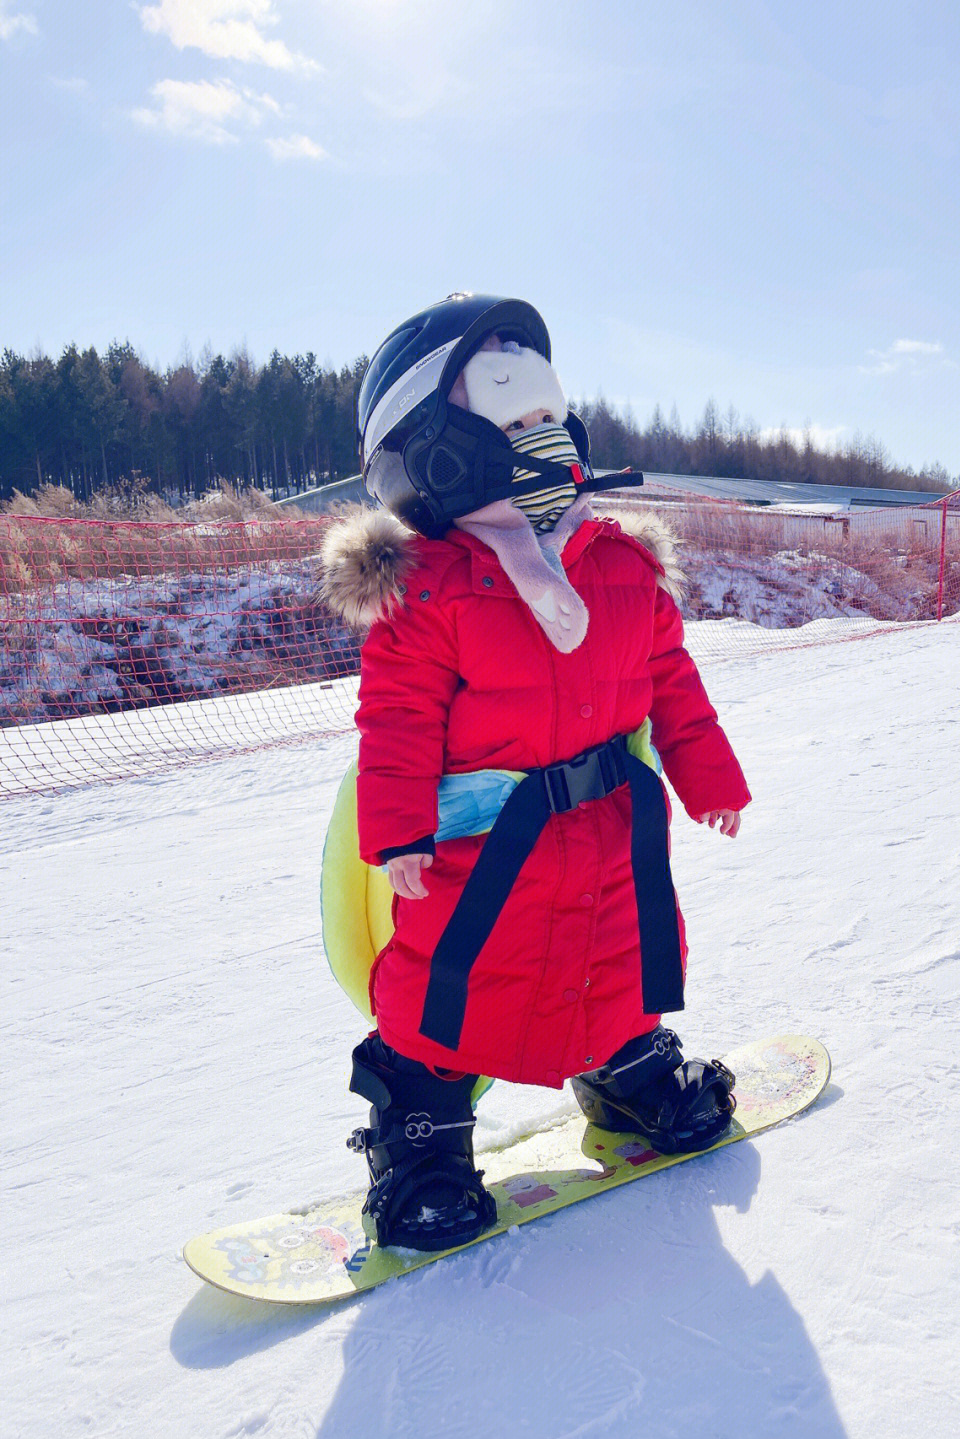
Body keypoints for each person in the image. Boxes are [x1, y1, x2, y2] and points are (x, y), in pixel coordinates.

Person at [320, 293, 751, 1251]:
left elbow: (668, 677)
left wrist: (708, 775)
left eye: (549, 418)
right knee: (454, 979)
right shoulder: (429, 586)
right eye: (514, 423)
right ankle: (421, 1133)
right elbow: (393, 721)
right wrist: (396, 833)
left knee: (624, 951)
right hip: (486, 842)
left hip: (608, 823)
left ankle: (625, 1066)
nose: (545, 440)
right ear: (434, 447)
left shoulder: (618, 563)